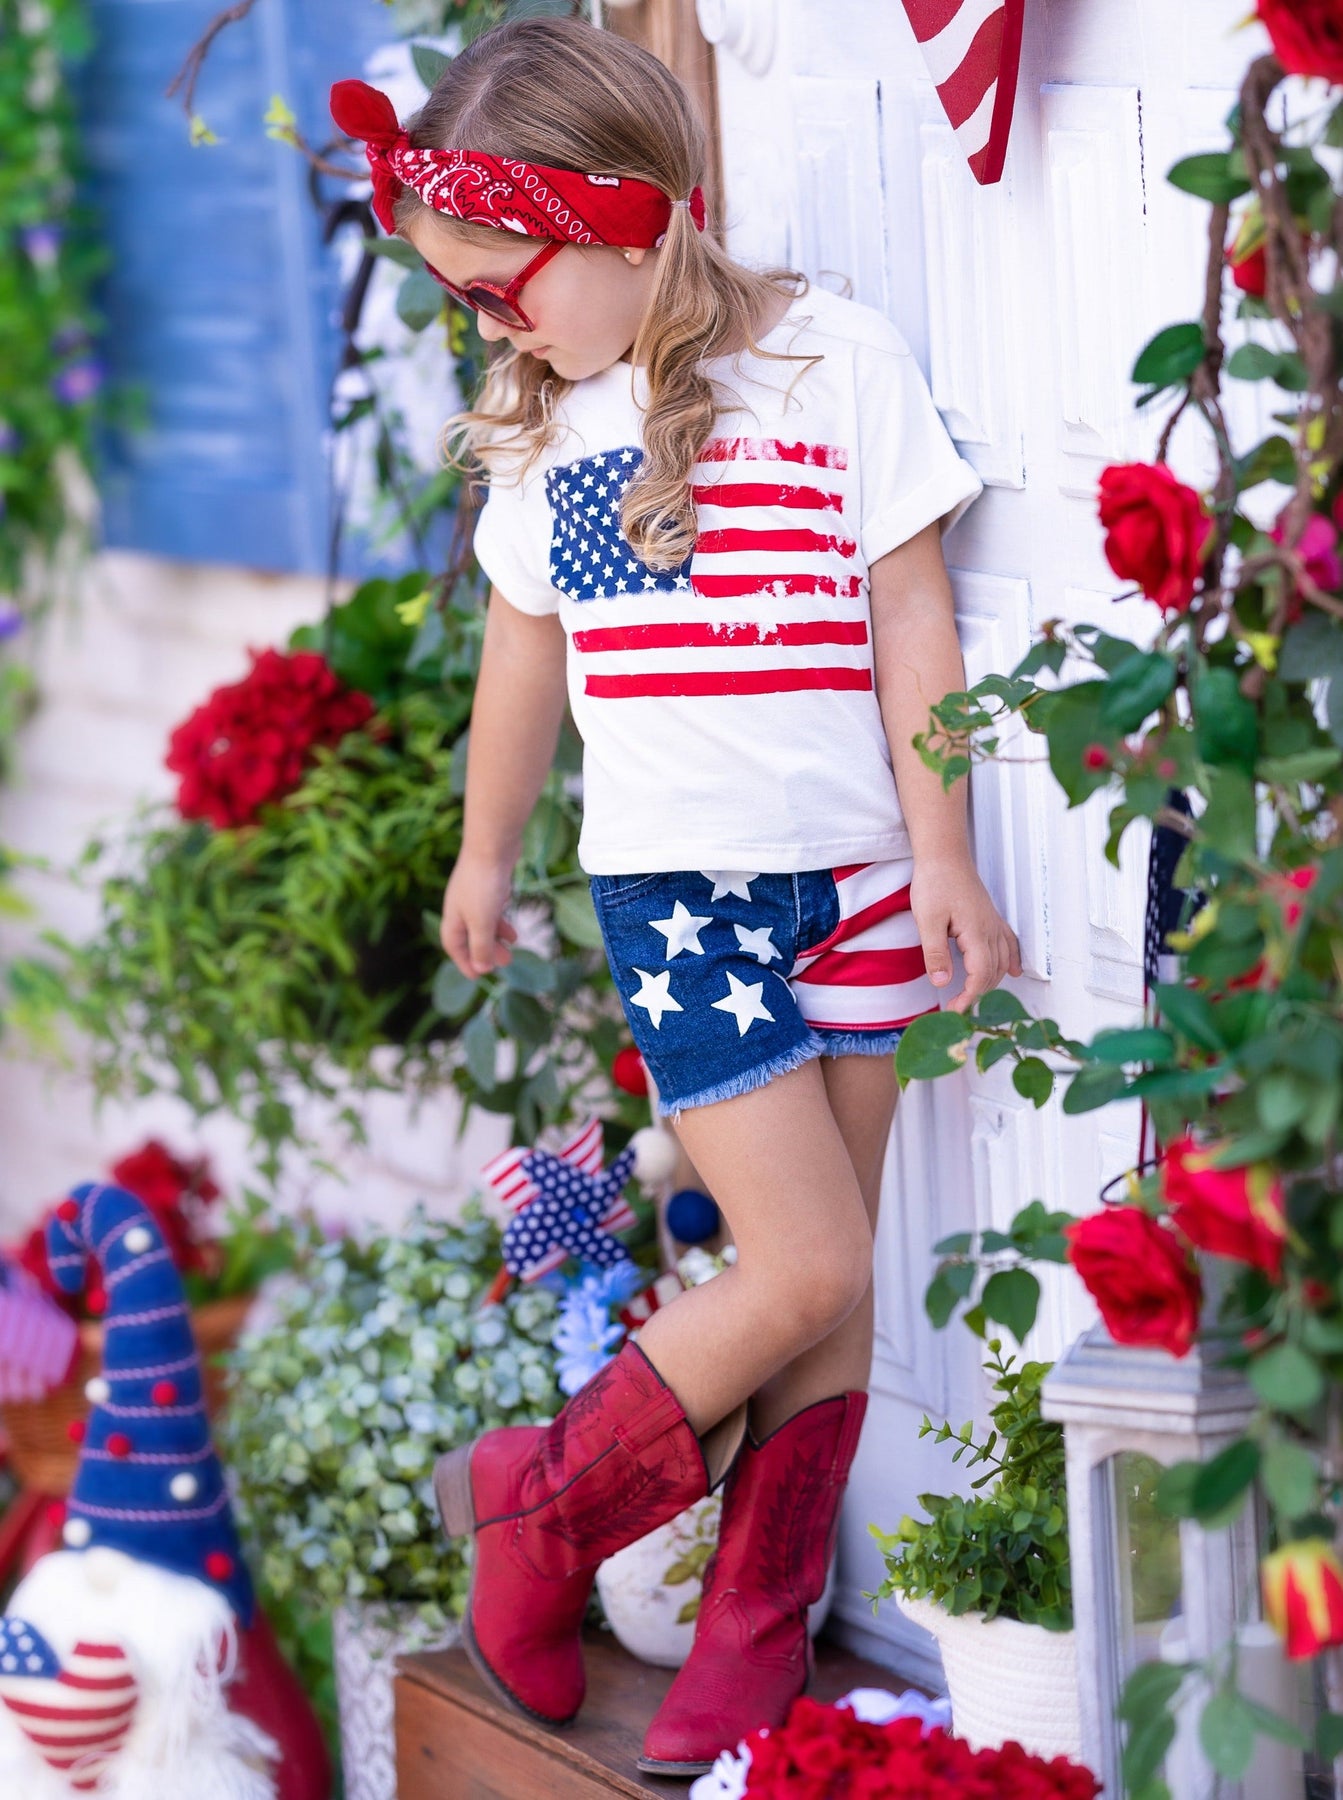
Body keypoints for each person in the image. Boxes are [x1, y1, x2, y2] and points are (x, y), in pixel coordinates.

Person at [331, 16, 1021, 1779]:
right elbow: (526, 662)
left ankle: (752, 1617)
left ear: (624, 217)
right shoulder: (553, 427)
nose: (491, 327)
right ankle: (543, 1505)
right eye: (464, 300)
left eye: (503, 287)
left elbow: (914, 618)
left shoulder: (834, 366)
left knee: (827, 1284)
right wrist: (485, 851)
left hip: (862, 879)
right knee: (807, 1261)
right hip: (679, 899)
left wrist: (944, 851)